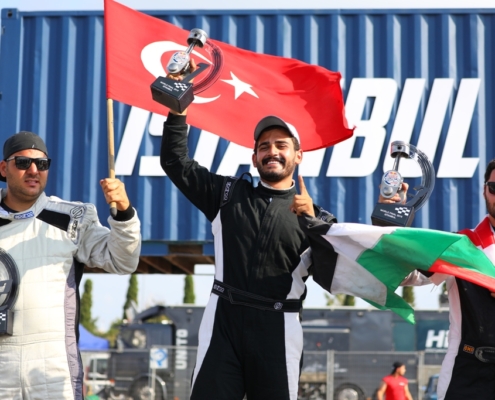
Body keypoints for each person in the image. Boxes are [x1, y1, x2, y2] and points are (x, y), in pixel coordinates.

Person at [160, 61, 334, 400]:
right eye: (264, 146)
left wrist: (314, 224)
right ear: (254, 158)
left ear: (298, 156)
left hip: (278, 329)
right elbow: (175, 162)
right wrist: (178, 108)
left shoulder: (318, 219)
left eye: (281, 145)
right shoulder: (227, 194)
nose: (272, 151)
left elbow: (346, 271)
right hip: (223, 323)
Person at [0, 131, 142, 399]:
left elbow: (123, 260)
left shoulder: (72, 218)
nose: (33, 170)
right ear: (4, 168)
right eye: (23, 162)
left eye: (42, 164)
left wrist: (123, 212)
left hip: (53, 369)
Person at [378, 161, 495, 400]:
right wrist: (388, 224)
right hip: (469, 373)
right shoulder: (460, 247)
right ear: (485, 190)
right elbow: (402, 275)